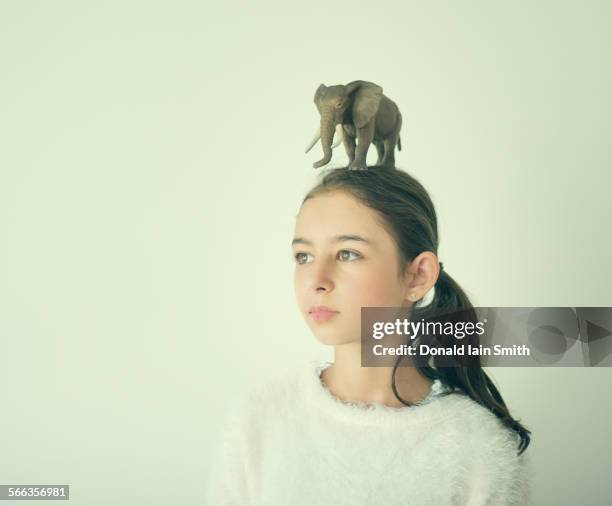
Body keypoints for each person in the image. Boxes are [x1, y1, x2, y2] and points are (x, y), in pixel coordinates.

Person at [205, 167, 533, 505]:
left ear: (417, 276)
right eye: (304, 256)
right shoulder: (259, 422)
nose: (316, 279)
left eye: (348, 253)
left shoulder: (480, 449)